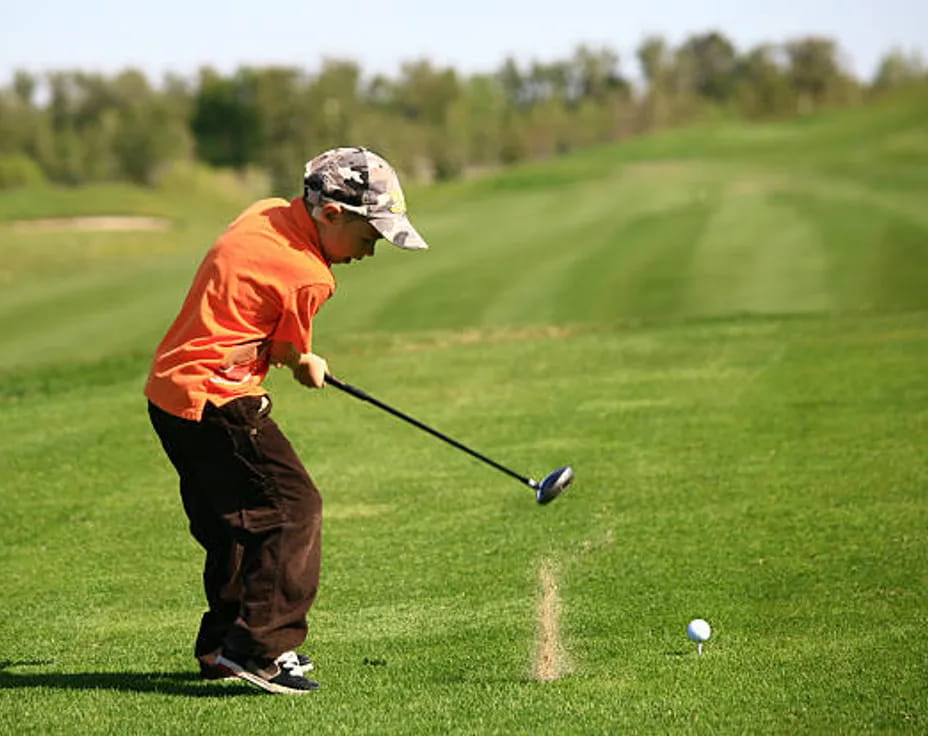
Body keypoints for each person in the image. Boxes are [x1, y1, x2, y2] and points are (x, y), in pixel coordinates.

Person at [145, 147, 429, 694]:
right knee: (293, 509)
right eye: (369, 239)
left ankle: (223, 646)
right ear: (331, 215)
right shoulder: (310, 277)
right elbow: (289, 352)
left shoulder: (264, 213)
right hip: (219, 398)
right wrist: (306, 362)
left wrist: (290, 354)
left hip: (169, 395)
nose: (369, 254)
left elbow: (252, 311)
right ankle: (259, 648)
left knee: (235, 521)